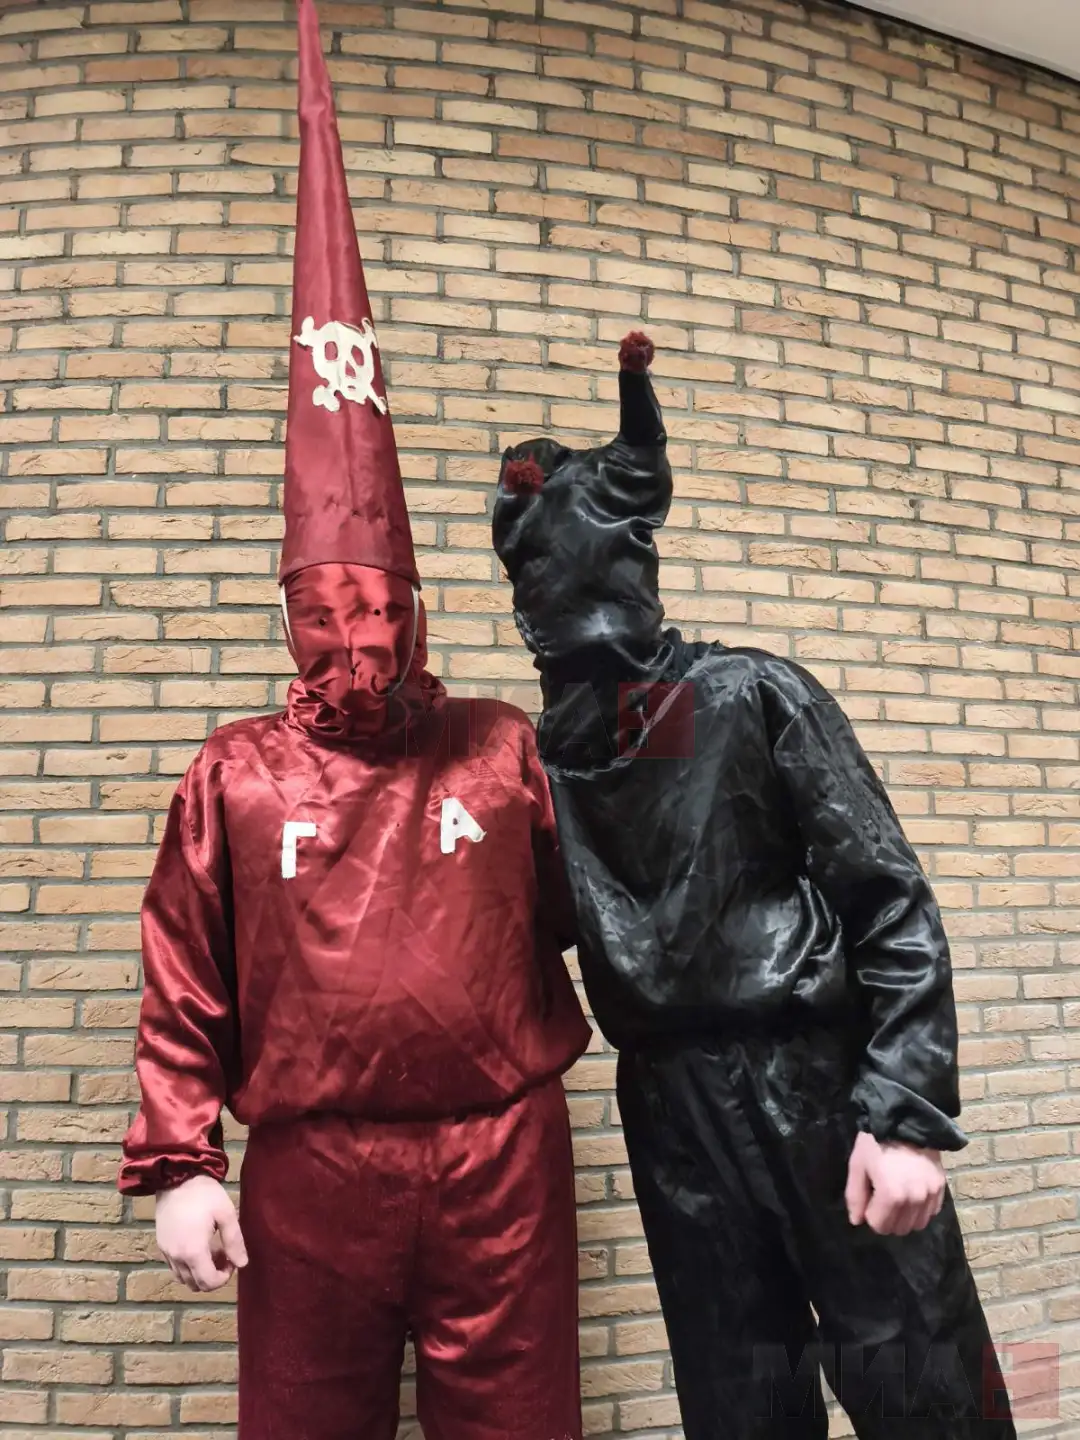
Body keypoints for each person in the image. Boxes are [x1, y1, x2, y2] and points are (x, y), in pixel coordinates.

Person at [118, 5, 589, 1438]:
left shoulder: (504, 746)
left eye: (381, 610)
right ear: (290, 618)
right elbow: (185, 972)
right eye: (327, 615)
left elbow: (596, 911)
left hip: (503, 1157)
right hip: (313, 1170)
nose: (359, 642)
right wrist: (179, 1160)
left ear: (418, 609)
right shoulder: (238, 772)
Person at [490, 332, 1016, 1439]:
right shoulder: (542, 767)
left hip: (814, 1081)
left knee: (925, 1389)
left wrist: (906, 1114)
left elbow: (889, 900)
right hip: (673, 1110)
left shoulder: (749, 696)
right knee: (740, 1406)